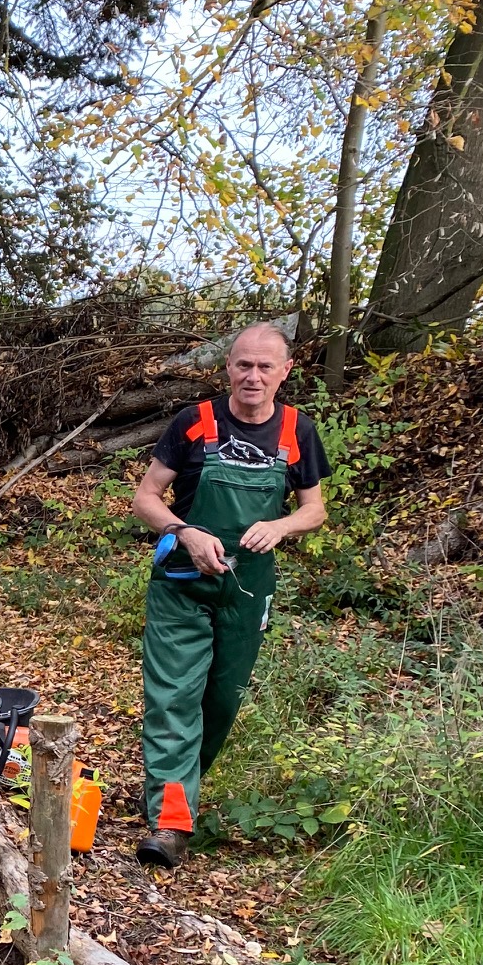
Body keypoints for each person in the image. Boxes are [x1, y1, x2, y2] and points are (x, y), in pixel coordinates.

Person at [131, 323, 329, 869]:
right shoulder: (195, 422)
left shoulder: (297, 430)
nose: (253, 376)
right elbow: (146, 498)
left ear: (284, 372)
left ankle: (178, 784)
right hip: (182, 583)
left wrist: (283, 526)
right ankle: (171, 821)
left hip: (248, 588)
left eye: (266, 367)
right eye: (244, 364)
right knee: (174, 698)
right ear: (228, 368)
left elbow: (315, 509)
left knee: (222, 701)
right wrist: (184, 531)